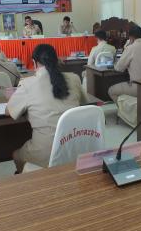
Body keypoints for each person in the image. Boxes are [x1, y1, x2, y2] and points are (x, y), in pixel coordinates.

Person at [6, 44, 87, 172]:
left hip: (46, 152)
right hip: (74, 145)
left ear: (34, 63)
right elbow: (84, 103)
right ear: (57, 60)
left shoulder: (27, 84)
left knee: (16, 155)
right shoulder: (74, 78)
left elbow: (9, 112)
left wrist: (13, 97)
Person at [108, 25, 141, 103]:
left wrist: (127, 47)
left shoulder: (131, 48)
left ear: (131, 37)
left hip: (138, 86)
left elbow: (118, 68)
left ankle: (127, 113)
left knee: (111, 91)